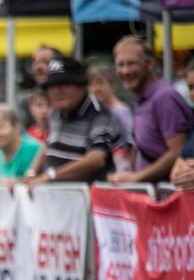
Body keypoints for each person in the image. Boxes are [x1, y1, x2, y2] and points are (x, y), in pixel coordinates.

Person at [107, 37, 192, 184]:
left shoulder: (164, 97)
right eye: (120, 65)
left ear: (149, 64)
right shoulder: (141, 100)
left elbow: (177, 151)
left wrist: (136, 177)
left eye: (131, 63)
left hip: (166, 198)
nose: (125, 71)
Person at [26, 57, 121, 185]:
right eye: (52, 86)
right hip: (54, 196)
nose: (57, 91)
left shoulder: (98, 115)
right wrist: (32, 173)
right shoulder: (55, 111)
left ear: (81, 86)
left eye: (64, 84)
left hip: (86, 200)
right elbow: (48, 145)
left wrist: (50, 176)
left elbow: (96, 159)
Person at [86, 63, 134, 172]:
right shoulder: (94, 111)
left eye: (100, 83)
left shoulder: (120, 111)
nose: (96, 89)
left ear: (112, 85)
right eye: (91, 84)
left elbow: (130, 144)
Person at [0, 103, 42, 183]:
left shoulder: (34, 148)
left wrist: (0, 182)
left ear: (16, 127)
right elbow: (5, 177)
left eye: (1, 127)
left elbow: (30, 181)